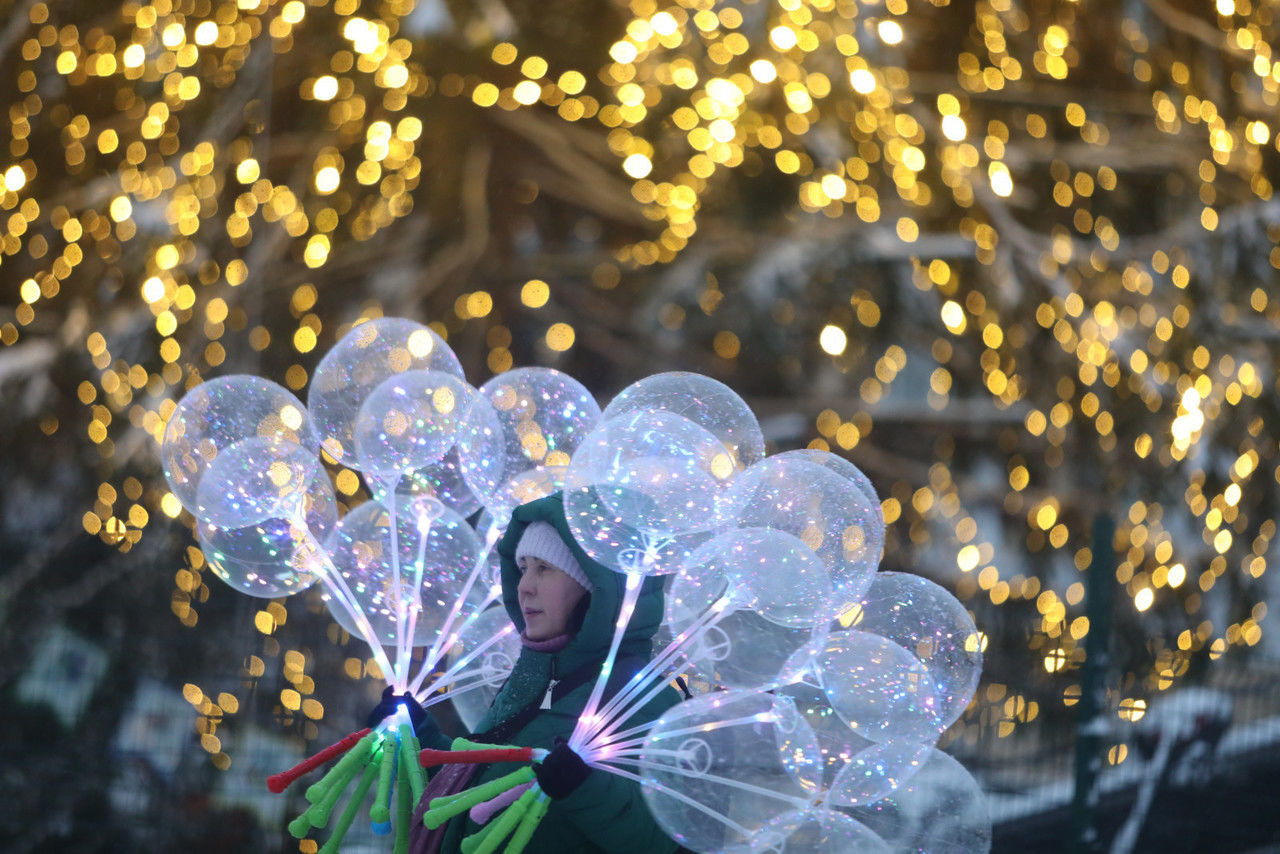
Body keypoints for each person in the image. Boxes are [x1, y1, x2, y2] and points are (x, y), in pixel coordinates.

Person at [372, 494, 682, 854]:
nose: (524, 586)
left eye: (544, 568)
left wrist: (583, 787)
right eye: (522, 568)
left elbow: (660, 840)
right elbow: (479, 798)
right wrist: (419, 739)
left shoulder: (642, 697)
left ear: (596, 585)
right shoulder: (534, 677)